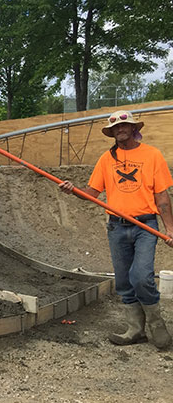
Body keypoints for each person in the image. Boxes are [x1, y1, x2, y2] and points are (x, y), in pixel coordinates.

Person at [59, 110, 173, 349]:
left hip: (145, 226)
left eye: (125, 125)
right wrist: (73, 190)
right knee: (123, 281)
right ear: (112, 133)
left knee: (141, 277)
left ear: (133, 128)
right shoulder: (106, 159)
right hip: (116, 227)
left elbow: (161, 196)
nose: (120, 130)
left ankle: (156, 325)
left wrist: (169, 228)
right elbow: (92, 193)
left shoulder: (152, 155)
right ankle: (135, 330)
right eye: (115, 128)